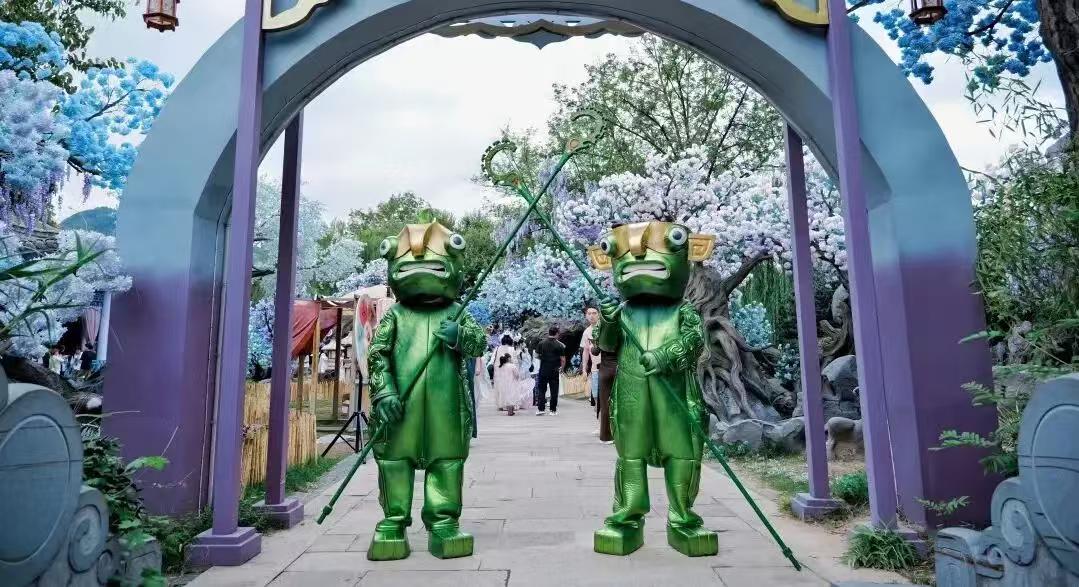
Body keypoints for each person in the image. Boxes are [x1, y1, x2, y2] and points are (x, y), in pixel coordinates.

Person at [535, 326, 566, 415]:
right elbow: (563, 359)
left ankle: (541, 409)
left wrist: (543, 359)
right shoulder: (559, 345)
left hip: (543, 369)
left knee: (542, 389)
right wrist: (562, 368)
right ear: (557, 334)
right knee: (554, 390)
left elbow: (536, 355)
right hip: (554, 370)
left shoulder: (541, 343)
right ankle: (553, 410)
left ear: (549, 333)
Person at [580, 307, 602, 430]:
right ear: (586, 316)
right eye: (589, 313)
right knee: (596, 397)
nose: (592, 315)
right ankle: (600, 426)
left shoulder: (604, 328)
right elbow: (585, 351)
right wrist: (584, 369)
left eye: (594, 313)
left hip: (609, 366)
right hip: (595, 369)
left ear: (599, 315)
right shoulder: (587, 332)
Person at [493, 334, 522, 415]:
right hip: (510, 371)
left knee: (500, 388)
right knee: (510, 389)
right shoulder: (512, 349)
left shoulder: (497, 348)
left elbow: (494, 359)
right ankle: (511, 405)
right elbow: (515, 361)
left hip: (499, 370)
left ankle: (501, 405)